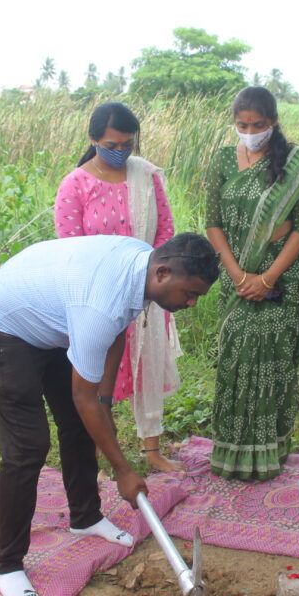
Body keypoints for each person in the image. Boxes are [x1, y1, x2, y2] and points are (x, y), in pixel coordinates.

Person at [0, 232, 219, 596]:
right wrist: (123, 470)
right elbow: (87, 386)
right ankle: (6, 566)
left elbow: (115, 333)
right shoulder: (101, 303)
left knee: (82, 421)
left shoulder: (141, 266)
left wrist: (105, 401)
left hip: (50, 322)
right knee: (28, 445)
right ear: (163, 273)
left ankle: (85, 517)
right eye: (190, 293)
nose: (192, 303)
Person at [204, 86, 299, 480]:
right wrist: (238, 276)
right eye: (242, 125)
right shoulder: (222, 160)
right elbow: (213, 223)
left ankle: (270, 454)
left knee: (273, 368)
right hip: (236, 281)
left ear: (274, 122)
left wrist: (266, 278)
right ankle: (232, 455)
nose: (250, 132)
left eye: (258, 125)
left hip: (281, 283)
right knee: (234, 366)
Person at [55, 103, 183, 473]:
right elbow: (71, 249)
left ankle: (152, 449)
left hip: (144, 291)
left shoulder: (146, 176)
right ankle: (97, 454)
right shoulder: (75, 184)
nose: (121, 152)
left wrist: (150, 279)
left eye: (128, 144)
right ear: (94, 139)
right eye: (112, 145)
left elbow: (165, 230)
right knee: (97, 378)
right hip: (97, 298)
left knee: (147, 367)